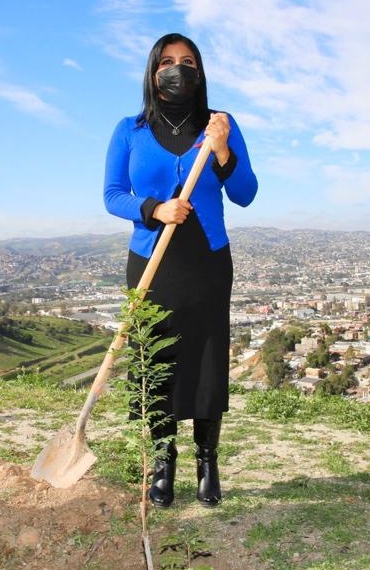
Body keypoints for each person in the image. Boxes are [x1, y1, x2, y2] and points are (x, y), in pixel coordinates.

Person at [103, 33, 258, 507]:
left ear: (200, 72)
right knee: (156, 365)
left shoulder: (220, 126)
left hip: (208, 263)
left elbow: (246, 193)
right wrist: (154, 208)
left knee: (209, 362)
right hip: (152, 263)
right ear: (153, 72)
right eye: (168, 61)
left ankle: (207, 461)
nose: (178, 69)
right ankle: (162, 461)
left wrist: (224, 152)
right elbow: (112, 195)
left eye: (187, 61)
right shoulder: (129, 129)